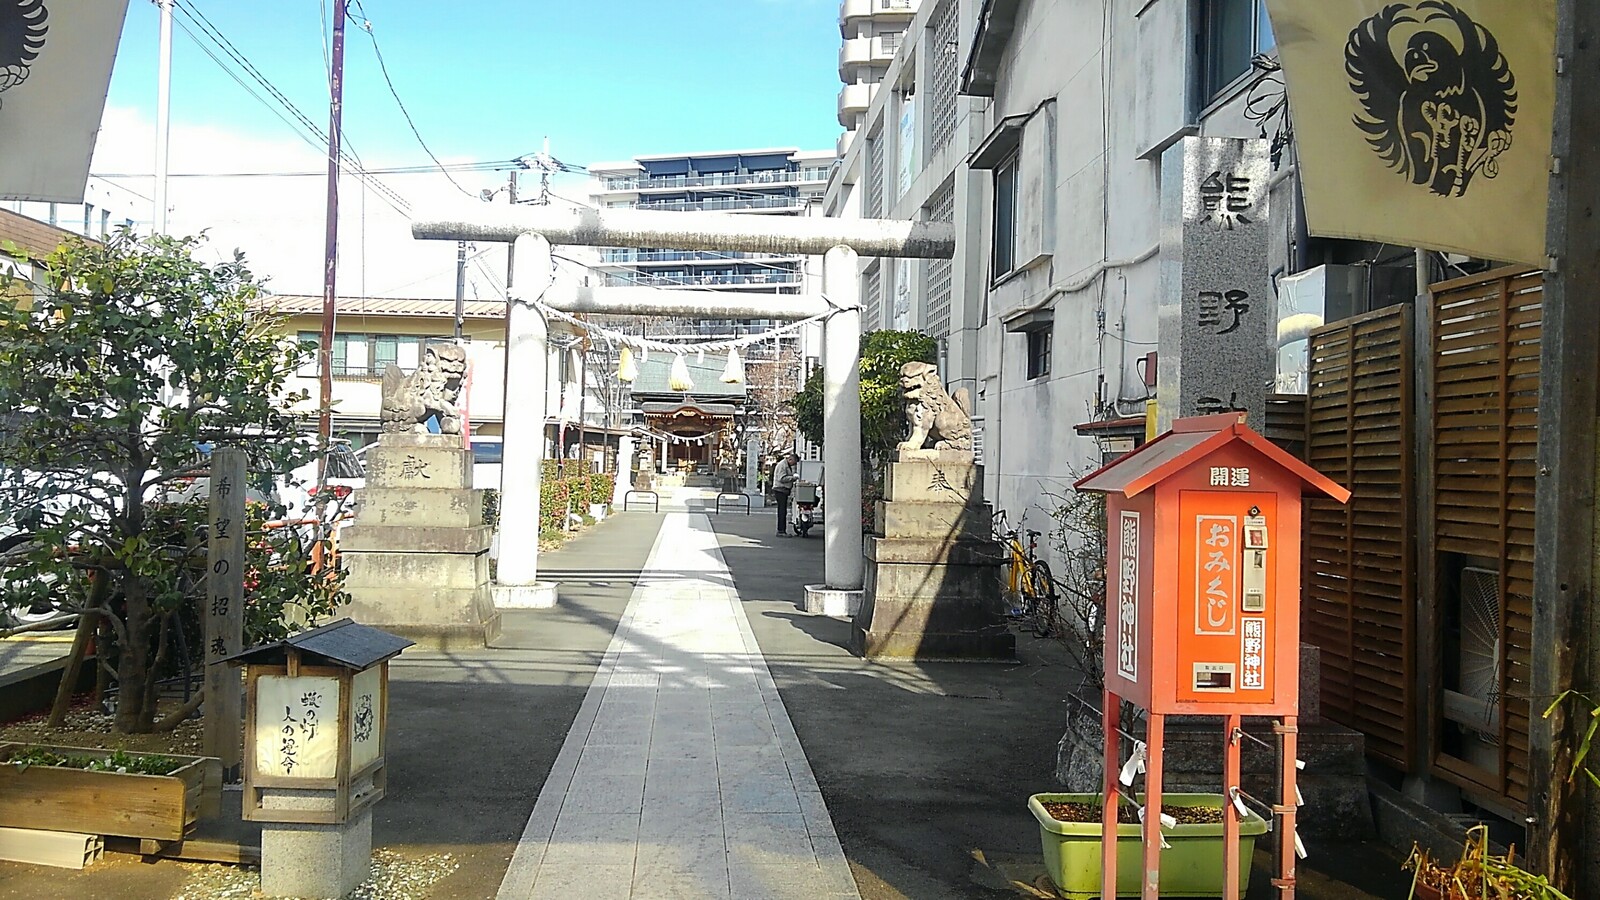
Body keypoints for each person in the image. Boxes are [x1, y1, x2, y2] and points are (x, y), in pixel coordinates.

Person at [772, 451, 800, 536]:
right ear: (790, 459)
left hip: (782, 490)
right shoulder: (782, 465)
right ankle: (781, 531)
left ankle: (782, 530)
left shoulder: (786, 465)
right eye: (794, 463)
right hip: (780, 489)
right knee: (782, 511)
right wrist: (793, 478)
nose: (794, 465)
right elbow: (782, 478)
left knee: (783, 511)